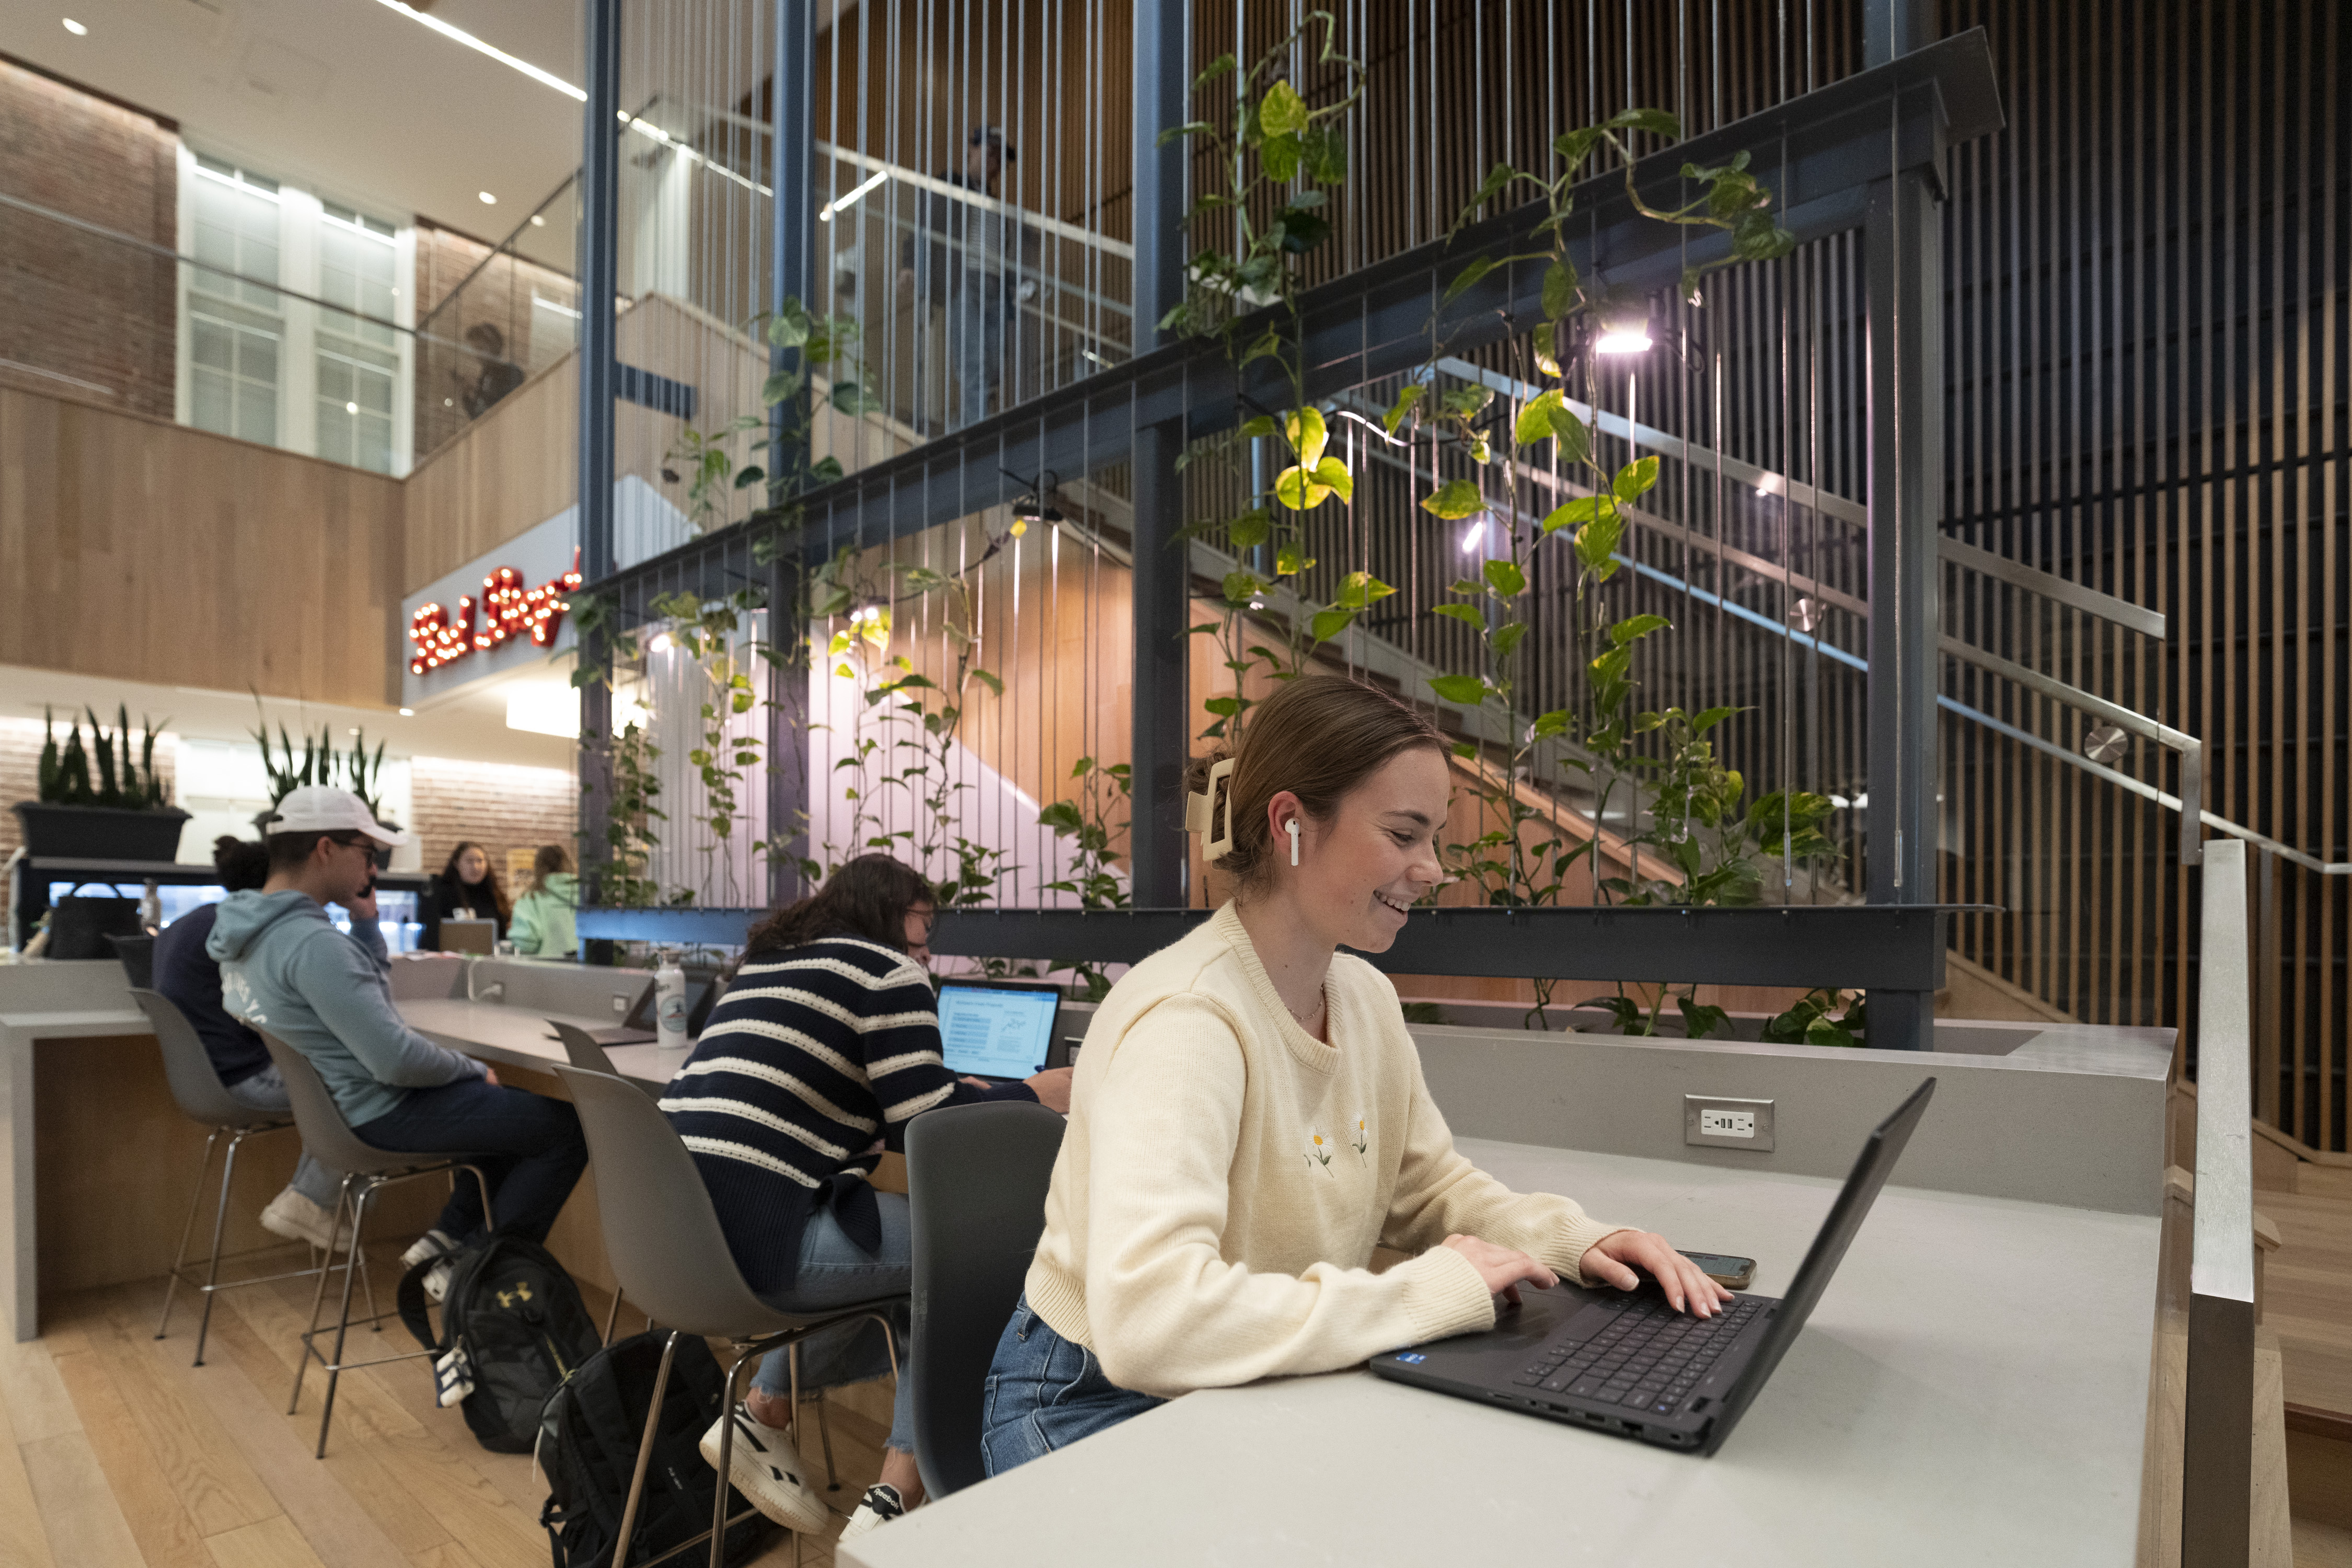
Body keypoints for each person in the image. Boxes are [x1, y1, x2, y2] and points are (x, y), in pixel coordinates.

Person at [978, 675, 1732, 1479]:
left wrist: (1577, 1241)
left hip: (1239, 1376)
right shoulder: (1188, 1021)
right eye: (1405, 835)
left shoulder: (1363, 995)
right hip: (1095, 1397)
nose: (1433, 869)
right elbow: (1152, 1324)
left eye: (1434, 838)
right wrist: (1423, 1296)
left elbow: (1425, 1185)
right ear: (1291, 825)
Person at [661, 854, 1073, 1543]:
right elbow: (923, 1130)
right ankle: (898, 1496)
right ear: (890, 912)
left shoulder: (768, 963)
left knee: (898, 1267)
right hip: (759, 1233)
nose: (928, 945)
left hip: (677, 1228)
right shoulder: (888, 974)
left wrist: (965, 1094)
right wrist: (1035, 1094)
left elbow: (911, 1097)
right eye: (923, 925)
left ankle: (765, 1410)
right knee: (959, 1262)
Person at [210, 787, 587, 1299]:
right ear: (326, 849)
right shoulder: (312, 945)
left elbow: (376, 1017)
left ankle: (444, 1242)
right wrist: (472, 1068)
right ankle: (477, 1272)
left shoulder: (248, 936)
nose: (373, 869)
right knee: (566, 1131)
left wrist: (366, 926)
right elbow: (394, 1058)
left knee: (509, 1117)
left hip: (340, 1112)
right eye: (367, 854)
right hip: (379, 1110)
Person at [152, 835, 352, 1253]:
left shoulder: (193, 922)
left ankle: (309, 1199)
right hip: (245, 1078)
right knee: (363, 1084)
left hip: (204, 1081)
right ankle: (312, 1200)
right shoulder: (246, 930)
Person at [897, 124, 1032, 432]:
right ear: (972, 150)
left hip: (997, 286)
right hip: (965, 279)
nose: (994, 165)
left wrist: (1019, 284)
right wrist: (910, 264)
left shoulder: (996, 205)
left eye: (999, 160)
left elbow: (1006, 251)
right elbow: (923, 226)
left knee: (995, 366)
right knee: (975, 361)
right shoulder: (952, 184)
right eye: (990, 154)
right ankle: (977, 433)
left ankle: (963, 427)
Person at [426, 840, 509, 949]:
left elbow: (503, 934)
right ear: (456, 864)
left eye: (480, 861)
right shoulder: (442, 893)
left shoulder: (495, 895)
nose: (476, 867)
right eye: (469, 861)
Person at [508, 844, 578, 958]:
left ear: (538, 867)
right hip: (582, 970)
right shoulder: (584, 896)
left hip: (543, 970)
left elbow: (525, 943)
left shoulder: (531, 898)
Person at [455, 322, 526, 419]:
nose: (477, 354)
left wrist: (477, 389)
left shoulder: (511, 373)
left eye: (481, 348)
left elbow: (502, 405)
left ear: (494, 346)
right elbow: (477, 416)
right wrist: (466, 396)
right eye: (474, 349)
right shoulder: (484, 378)